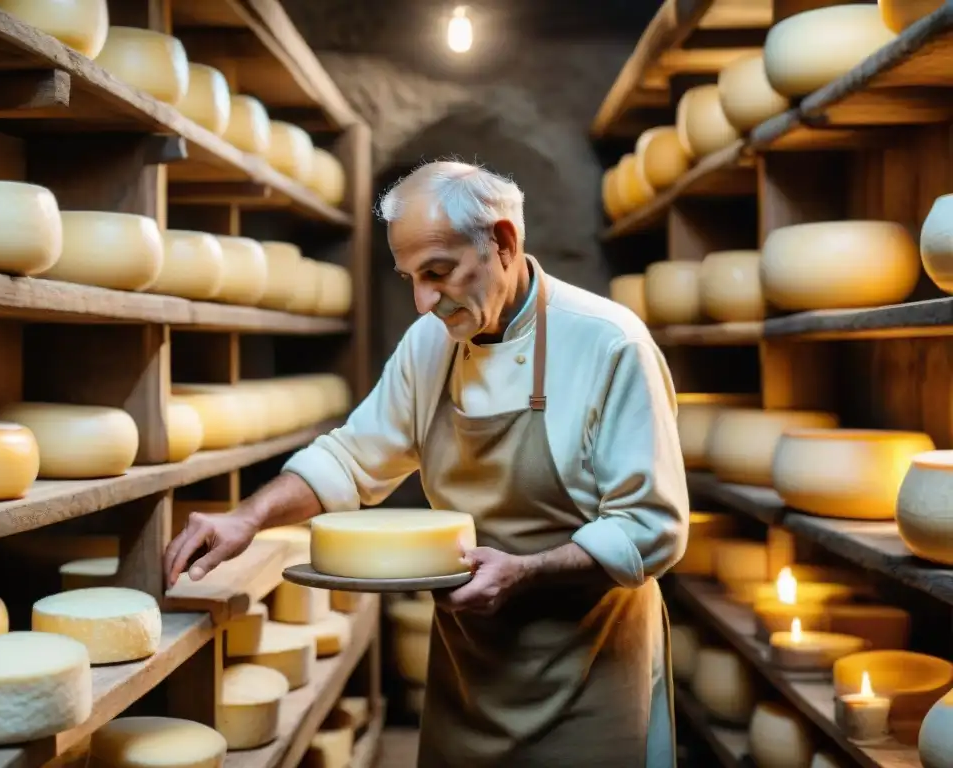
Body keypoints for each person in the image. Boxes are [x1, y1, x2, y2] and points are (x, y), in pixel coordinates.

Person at [164, 160, 689, 767]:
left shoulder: (608, 343)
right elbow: (352, 458)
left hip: (589, 669)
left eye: (438, 273)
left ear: (504, 242)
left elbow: (651, 527)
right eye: (410, 277)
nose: (423, 302)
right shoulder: (430, 342)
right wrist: (247, 519)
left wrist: (528, 571)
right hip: (471, 668)